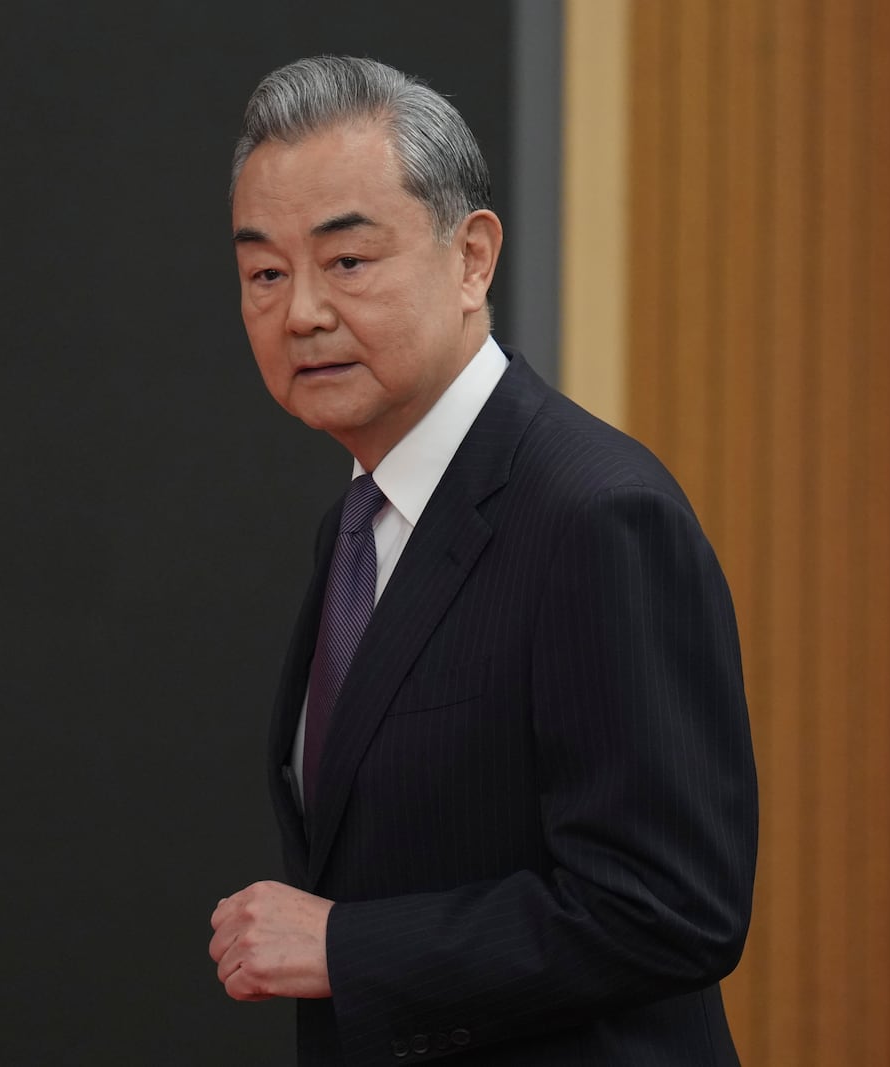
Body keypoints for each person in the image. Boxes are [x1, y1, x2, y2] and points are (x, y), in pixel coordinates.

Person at [208, 55, 757, 1066]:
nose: (300, 314)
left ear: (471, 258)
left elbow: (672, 905)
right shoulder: (353, 523)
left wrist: (346, 944)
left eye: (348, 262)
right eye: (264, 273)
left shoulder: (596, 513)